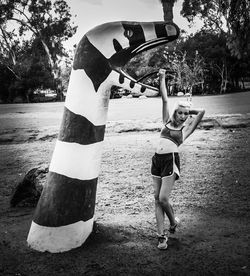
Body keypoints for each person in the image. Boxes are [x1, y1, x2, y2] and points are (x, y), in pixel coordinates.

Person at [151, 69, 205, 250]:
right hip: (156, 160)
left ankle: (173, 222)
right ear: (175, 112)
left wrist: (189, 108)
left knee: (163, 198)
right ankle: (161, 236)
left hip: (170, 160)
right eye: (180, 113)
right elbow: (165, 99)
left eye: (185, 114)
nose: (182, 116)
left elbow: (202, 112)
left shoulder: (185, 130)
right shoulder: (166, 120)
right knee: (157, 199)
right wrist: (162, 77)